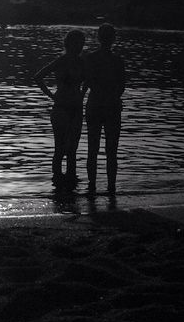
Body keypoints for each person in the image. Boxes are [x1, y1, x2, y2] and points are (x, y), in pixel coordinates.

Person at [32, 29, 87, 188]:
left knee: (72, 150)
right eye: (76, 43)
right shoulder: (61, 61)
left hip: (76, 109)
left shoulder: (83, 62)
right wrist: (52, 96)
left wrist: (82, 93)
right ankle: (57, 184)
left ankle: (71, 185)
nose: (79, 46)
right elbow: (38, 77)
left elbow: (90, 79)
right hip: (61, 108)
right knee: (60, 148)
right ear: (68, 43)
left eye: (81, 43)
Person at [83, 23, 126, 195]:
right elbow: (121, 85)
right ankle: (111, 186)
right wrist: (112, 97)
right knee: (111, 150)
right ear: (113, 39)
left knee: (92, 148)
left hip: (94, 105)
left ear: (98, 38)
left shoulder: (90, 58)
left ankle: (92, 185)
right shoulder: (117, 60)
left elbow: (87, 82)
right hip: (112, 106)